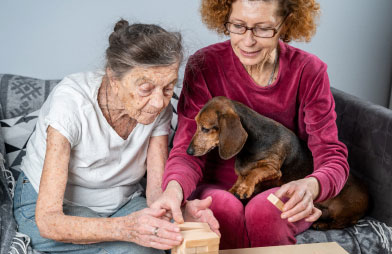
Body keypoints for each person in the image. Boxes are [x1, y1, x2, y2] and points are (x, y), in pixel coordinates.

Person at [152, 0, 349, 250]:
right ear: (225, 18)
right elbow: (186, 151)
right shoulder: (204, 65)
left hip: (280, 186)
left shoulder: (309, 71)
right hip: (219, 186)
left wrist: (312, 185)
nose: (248, 41)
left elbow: (332, 156)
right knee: (222, 208)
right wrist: (173, 191)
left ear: (285, 23)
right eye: (238, 25)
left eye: (263, 28)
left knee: (268, 211)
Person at [13, 19, 186, 254]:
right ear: (114, 79)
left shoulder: (158, 108)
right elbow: (48, 220)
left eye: (168, 88)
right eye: (145, 89)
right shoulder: (70, 103)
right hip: (58, 208)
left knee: (167, 239)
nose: (158, 102)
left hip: (121, 202)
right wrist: (126, 229)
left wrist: (180, 216)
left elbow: (155, 193)